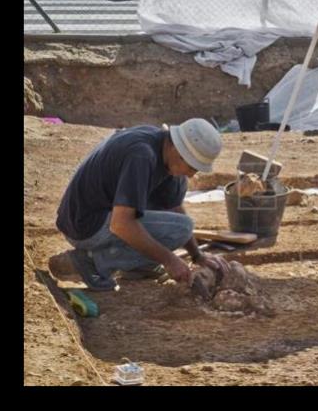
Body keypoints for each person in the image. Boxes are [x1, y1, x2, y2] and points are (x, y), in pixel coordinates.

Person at [49, 118, 230, 291]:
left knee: (180, 228)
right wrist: (169, 260)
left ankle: (135, 267)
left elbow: (174, 209)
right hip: (83, 224)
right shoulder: (141, 155)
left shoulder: (166, 152)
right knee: (182, 229)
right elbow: (121, 224)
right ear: (178, 151)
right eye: (192, 167)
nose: (191, 175)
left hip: (96, 216)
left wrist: (197, 255)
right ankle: (91, 262)